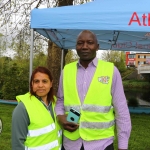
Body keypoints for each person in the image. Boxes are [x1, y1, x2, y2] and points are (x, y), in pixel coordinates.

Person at [55, 30, 131, 150]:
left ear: (97, 47)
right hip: (71, 143)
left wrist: (123, 146)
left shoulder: (111, 70)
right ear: (76, 47)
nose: (84, 46)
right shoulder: (66, 71)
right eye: (80, 43)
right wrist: (60, 116)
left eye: (89, 42)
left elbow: (121, 110)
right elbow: (60, 100)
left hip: (101, 144)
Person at [11, 66, 62, 150]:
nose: (40, 85)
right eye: (36, 81)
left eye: (44, 81)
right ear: (32, 84)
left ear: (51, 84)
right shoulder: (22, 108)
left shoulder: (55, 103)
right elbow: (17, 143)